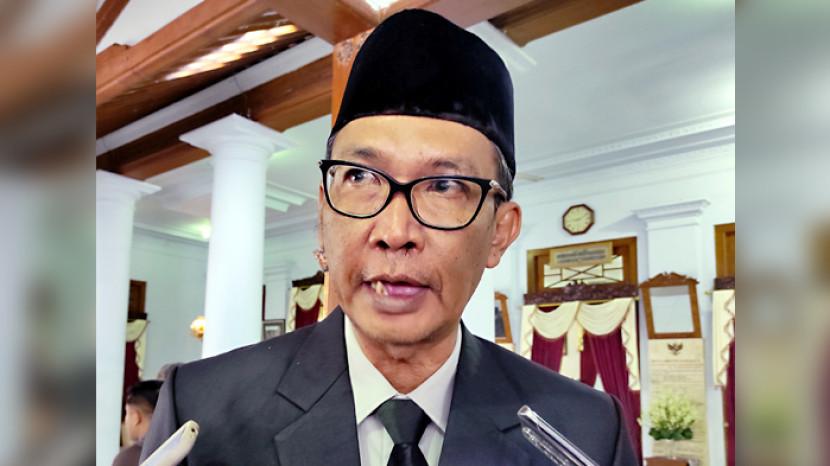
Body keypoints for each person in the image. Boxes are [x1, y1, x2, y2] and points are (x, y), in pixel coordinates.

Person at [141, 9, 637, 466]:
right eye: (360, 177)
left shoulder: (587, 430)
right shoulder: (204, 410)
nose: (395, 233)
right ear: (323, 213)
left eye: (445, 186)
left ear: (500, 233)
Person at [113, 380, 163, 466]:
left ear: (136, 418)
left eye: (127, 413)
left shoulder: (127, 458)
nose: (125, 420)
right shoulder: (179, 447)